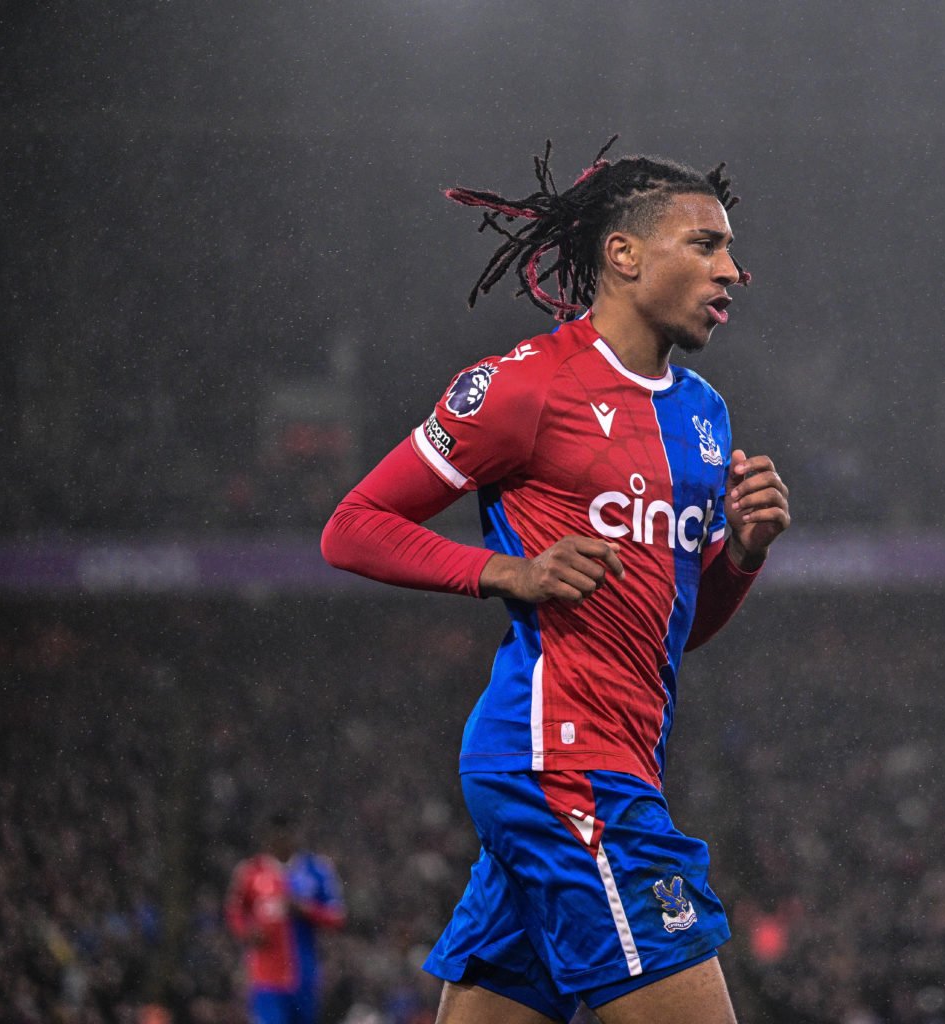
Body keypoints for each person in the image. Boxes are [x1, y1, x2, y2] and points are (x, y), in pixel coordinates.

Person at [321, 137, 790, 1024]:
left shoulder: (702, 414)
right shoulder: (524, 386)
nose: (734, 270)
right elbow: (352, 528)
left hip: (612, 761)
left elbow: (674, 626)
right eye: (706, 244)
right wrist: (507, 571)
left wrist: (743, 554)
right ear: (624, 254)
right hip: (564, 766)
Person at [225, 811, 348, 1024]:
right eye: (275, 836)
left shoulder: (316, 870)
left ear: (295, 835)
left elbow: (337, 917)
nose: (281, 842)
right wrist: (247, 932)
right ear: (267, 838)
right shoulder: (251, 871)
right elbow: (234, 913)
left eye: (286, 836)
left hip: (305, 975)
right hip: (265, 977)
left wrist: (306, 910)